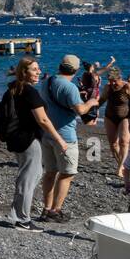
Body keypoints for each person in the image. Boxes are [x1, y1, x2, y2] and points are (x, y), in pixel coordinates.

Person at [1, 56, 70, 231]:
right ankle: (23, 220)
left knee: (29, 176)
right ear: (24, 72)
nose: (39, 71)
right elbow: (43, 120)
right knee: (29, 178)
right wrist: (59, 139)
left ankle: (17, 215)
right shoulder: (29, 91)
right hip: (28, 140)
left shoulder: (14, 88)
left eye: (38, 68)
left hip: (16, 138)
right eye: (34, 69)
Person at [37, 54, 101, 223]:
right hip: (65, 136)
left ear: (60, 66)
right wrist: (92, 102)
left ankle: (46, 209)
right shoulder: (70, 87)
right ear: (76, 70)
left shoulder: (47, 82)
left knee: (50, 173)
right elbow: (80, 110)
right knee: (66, 174)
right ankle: (55, 211)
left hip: (48, 133)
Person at [99, 67, 130, 170]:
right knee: (113, 144)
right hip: (109, 117)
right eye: (110, 81)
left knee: (124, 142)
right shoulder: (108, 87)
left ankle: (121, 167)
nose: (112, 83)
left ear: (119, 78)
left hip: (125, 117)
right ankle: (121, 165)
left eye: (114, 81)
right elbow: (101, 101)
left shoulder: (127, 87)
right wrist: (90, 111)